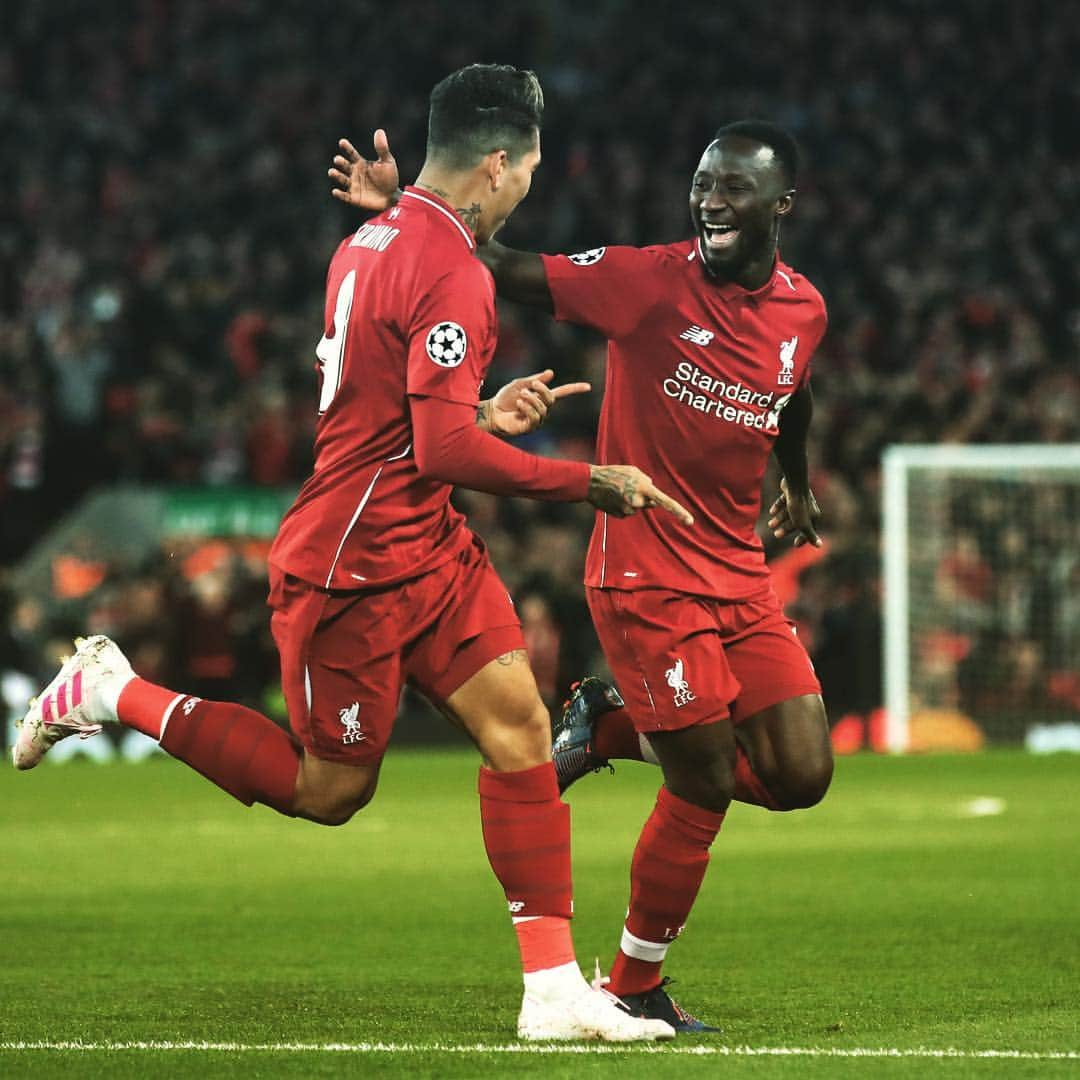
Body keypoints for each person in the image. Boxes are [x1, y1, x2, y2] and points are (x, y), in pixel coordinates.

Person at [13, 64, 698, 1044]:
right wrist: (593, 482)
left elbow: (413, 411)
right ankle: (113, 693)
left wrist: (480, 411)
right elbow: (443, 451)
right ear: (497, 165)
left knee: (519, 729)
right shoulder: (450, 265)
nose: (530, 189)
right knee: (331, 789)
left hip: (428, 544)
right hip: (353, 562)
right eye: (531, 171)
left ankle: (550, 993)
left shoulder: (372, 238)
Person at [332, 117, 833, 1032]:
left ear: (782, 207)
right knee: (706, 781)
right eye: (703, 181)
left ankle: (606, 731)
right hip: (646, 571)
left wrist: (793, 485)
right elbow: (509, 265)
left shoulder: (806, 307)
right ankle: (636, 983)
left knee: (802, 774)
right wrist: (407, 212)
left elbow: (793, 393)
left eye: (734, 187)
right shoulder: (646, 282)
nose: (711, 199)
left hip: (740, 576)